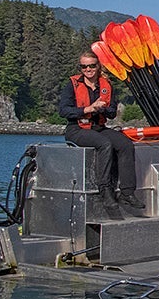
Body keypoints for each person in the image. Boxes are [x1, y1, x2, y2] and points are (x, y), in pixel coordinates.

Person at [58, 53, 142, 214]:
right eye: (84, 66)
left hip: (98, 127)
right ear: (80, 68)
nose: (88, 69)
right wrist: (87, 109)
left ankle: (127, 192)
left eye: (92, 66)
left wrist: (102, 108)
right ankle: (105, 189)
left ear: (98, 67)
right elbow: (64, 110)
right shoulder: (72, 84)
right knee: (104, 144)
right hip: (77, 128)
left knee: (125, 144)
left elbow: (112, 113)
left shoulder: (106, 85)